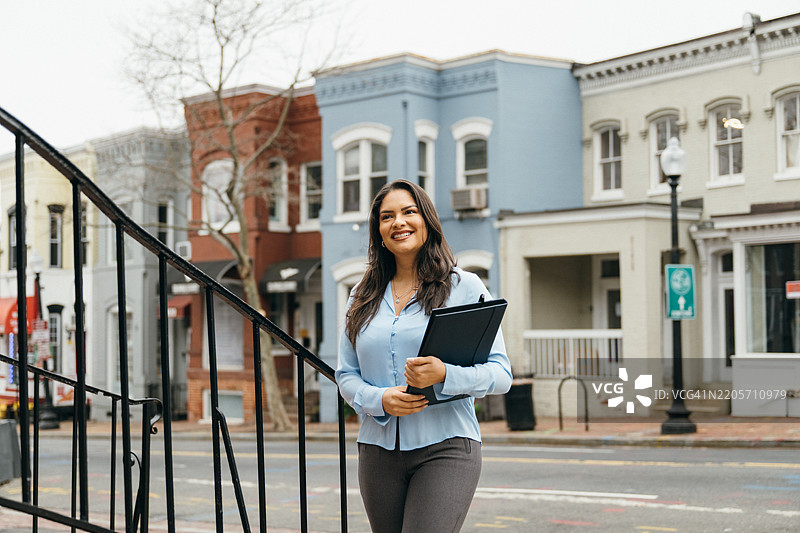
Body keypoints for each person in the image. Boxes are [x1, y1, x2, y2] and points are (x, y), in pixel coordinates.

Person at [336, 179, 512, 533]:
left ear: (427, 221)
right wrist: (379, 398)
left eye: (408, 212)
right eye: (387, 217)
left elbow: (501, 373)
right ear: (379, 231)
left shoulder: (464, 286)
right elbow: (346, 375)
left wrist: (445, 373)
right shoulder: (361, 294)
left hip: (446, 447)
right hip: (377, 452)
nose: (398, 222)